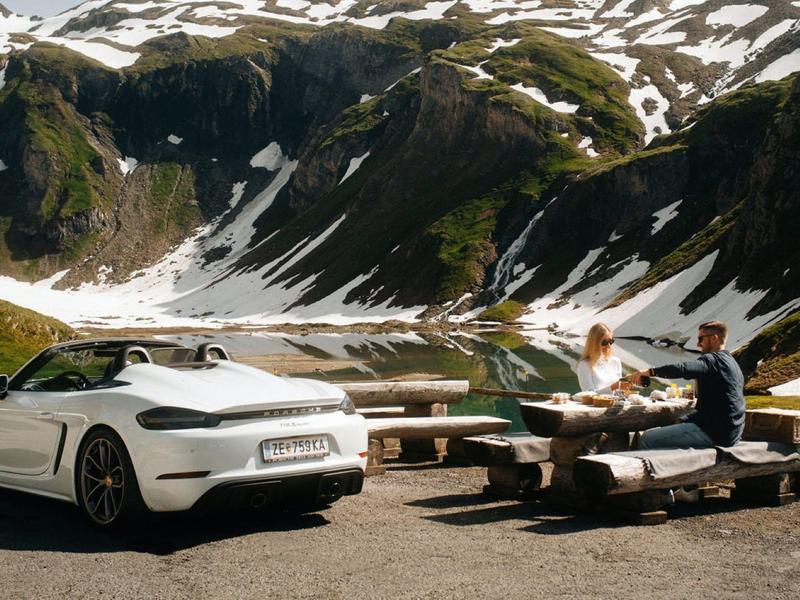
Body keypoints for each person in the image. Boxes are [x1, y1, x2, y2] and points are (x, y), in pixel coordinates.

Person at [627, 320, 745, 449]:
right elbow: (716, 407)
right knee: (674, 428)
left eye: (701, 339)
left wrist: (650, 372)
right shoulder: (732, 363)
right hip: (732, 432)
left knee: (647, 438)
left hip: (716, 433)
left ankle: (650, 468)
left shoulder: (711, 361)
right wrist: (685, 419)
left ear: (714, 339)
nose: (698, 344)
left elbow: (683, 368)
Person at [576, 323, 624, 393]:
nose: (608, 346)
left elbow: (619, 391)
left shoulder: (616, 361)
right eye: (604, 342)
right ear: (594, 343)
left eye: (611, 341)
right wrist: (613, 387)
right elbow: (588, 394)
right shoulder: (584, 365)